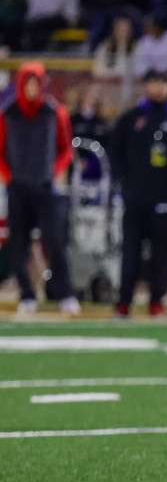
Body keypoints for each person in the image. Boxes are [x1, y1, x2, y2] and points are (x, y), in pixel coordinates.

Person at [108, 70, 167, 317]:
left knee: (162, 255)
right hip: (135, 200)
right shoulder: (130, 119)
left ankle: (156, 301)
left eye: (163, 83)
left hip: (166, 202)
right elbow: (115, 153)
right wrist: (125, 185)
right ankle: (124, 300)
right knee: (130, 253)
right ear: (146, 85)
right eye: (153, 82)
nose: (158, 88)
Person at [0, 62, 78, 313]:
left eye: (37, 83)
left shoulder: (55, 113)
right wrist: (7, 175)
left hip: (46, 187)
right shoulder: (7, 114)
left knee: (54, 240)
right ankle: (27, 295)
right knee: (18, 243)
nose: (33, 88)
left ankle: (65, 293)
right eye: (29, 83)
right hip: (18, 187)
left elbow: (66, 149)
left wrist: (55, 171)